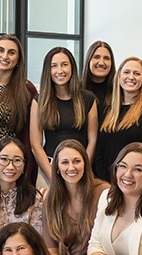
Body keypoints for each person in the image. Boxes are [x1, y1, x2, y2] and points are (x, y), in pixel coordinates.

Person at [42, 140, 109, 255]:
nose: (71, 167)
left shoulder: (103, 193)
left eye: (76, 161)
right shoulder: (51, 201)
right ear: (57, 168)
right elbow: (50, 251)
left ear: (85, 163)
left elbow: (108, 247)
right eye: (65, 162)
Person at [0, 34, 39, 186]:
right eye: (0, 50)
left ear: (18, 59)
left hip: (10, 165)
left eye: (11, 52)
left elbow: (28, 137)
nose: (5, 56)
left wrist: (27, 172)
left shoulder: (26, 89)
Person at [94, 57, 142, 182]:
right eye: (127, 72)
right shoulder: (108, 110)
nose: (131, 77)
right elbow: (99, 151)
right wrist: (105, 181)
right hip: (106, 183)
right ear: (119, 76)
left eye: (137, 73)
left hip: (134, 183)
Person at [32, 47, 98, 181]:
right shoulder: (39, 101)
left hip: (79, 170)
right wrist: (53, 177)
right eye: (54, 66)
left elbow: (92, 140)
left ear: (72, 68)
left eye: (64, 65)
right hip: (49, 169)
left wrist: (82, 170)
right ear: (47, 71)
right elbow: (35, 145)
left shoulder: (88, 99)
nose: (60, 71)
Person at [82, 41, 116, 123]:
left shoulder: (119, 92)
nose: (101, 63)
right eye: (96, 57)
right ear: (88, 60)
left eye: (106, 58)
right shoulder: (76, 90)